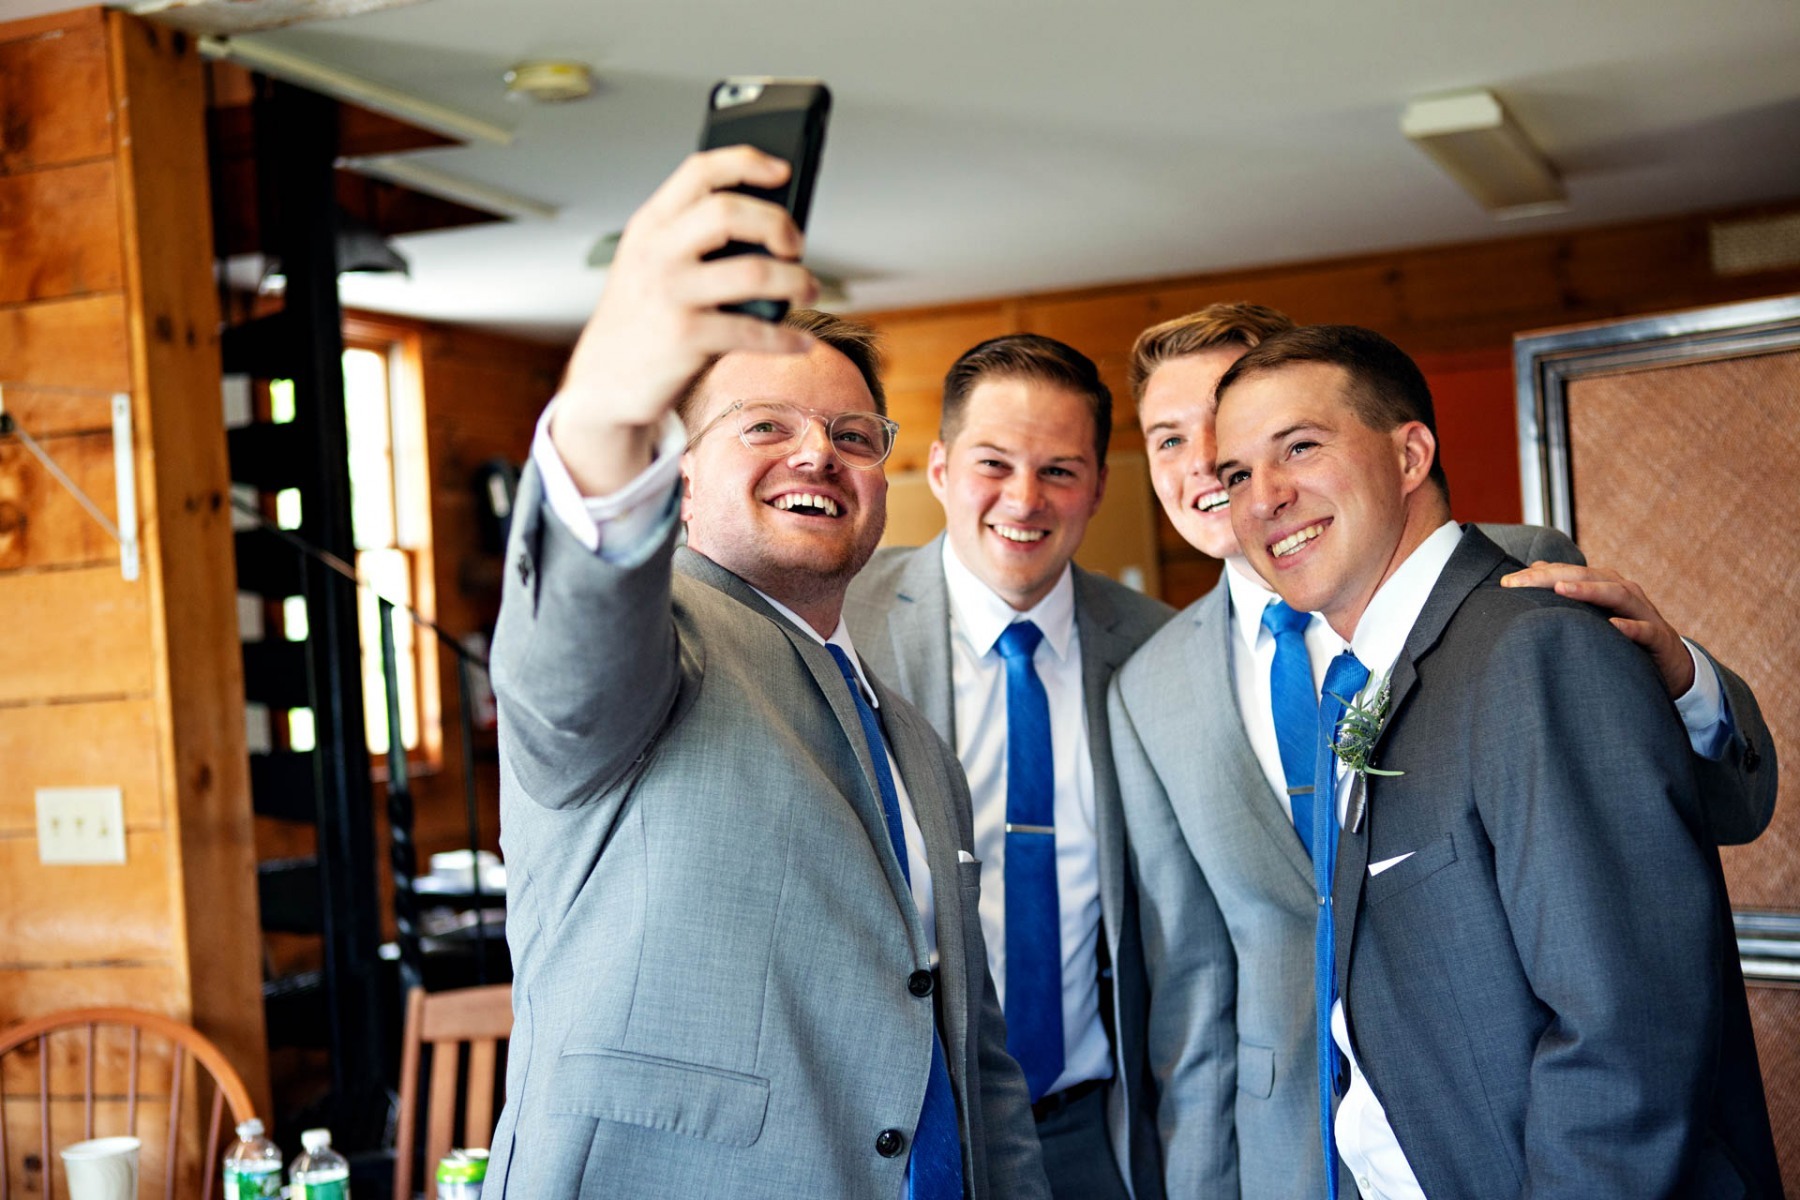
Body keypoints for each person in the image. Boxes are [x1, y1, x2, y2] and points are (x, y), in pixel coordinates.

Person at [1108, 304, 1778, 1198]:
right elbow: (1195, 985)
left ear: (1406, 451)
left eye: (1295, 445)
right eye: (1188, 447)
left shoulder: (1525, 606)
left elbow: (1625, 1009)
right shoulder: (1155, 684)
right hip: (1312, 1156)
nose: (1225, 478)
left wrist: (1683, 682)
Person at [483, 146, 1049, 1199]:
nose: (817, 456)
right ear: (678, 475)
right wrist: (608, 411)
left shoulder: (915, 746)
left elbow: (971, 1055)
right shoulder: (655, 645)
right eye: (765, 428)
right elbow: (571, 639)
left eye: (851, 435)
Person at [844, 335, 1173, 1200]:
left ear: (1099, 485)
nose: (1024, 500)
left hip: (1100, 1134)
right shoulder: (842, 628)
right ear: (943, 469)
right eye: (995, 463)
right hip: (913, 1133)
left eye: (1061, 471)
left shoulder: (1156, 646)